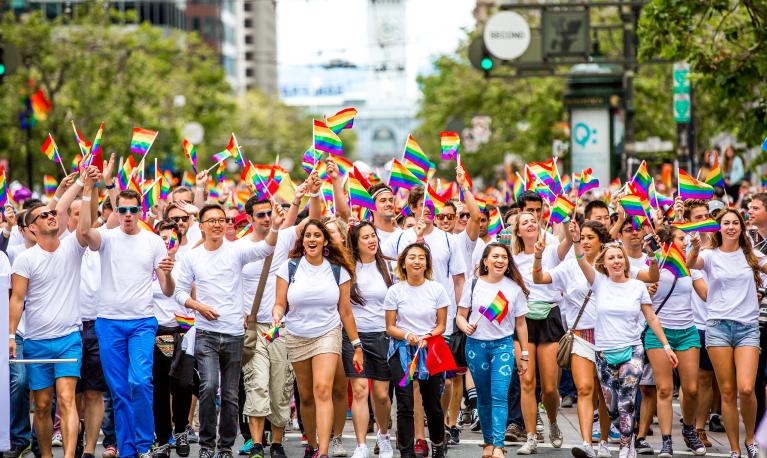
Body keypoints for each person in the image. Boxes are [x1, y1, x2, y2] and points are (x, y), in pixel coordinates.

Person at [174, 202, 283, 458]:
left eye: (221, 220)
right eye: (211, 220)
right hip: (206, 333)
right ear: (200, 226)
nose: (217, 224)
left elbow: (267, 247)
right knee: (209, 386)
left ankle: (224, 447)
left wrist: (276, 226)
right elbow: (179, 292)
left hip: (234, 333)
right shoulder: (192, 256)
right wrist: (198, 306)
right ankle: (206, 445)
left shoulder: (236, 251)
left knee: (232, 395)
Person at [78, 180, 176, 458]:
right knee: (119, 390)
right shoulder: (107, 236)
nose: (128, 214)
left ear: (140, 210)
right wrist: (88, 191)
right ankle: (128, 450)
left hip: (143, 322)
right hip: (108, 323)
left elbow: (168, 290)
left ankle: (145, 444)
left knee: (141, 381)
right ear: (117, 211)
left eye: (133, 209)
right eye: (123, 210)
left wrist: (167, 273)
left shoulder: (154, 241)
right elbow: (85, 232)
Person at [571, 223, 678, 458]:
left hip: (632, 350)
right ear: (604, 263)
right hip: (604, 352)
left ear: (625, 262)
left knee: (627, 400)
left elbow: (651, 317)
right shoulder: (598, 282)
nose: (617, 261)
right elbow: (580, 259)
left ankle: (625, 446)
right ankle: (620, 437)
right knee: (611, 406)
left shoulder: (638, 286)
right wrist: (576, 239)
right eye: (612, 258)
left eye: (620, 257)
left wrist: (666, 346)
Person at [8, 167, 93, 458]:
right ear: (31, 228)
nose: (51, 216)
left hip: (68, 338)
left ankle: (68, 456)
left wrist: (85, 184)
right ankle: (45, 455)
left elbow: (81, 221)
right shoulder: (24, 259)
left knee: (67, 399)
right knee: (42, 405)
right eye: (43, 215)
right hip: (35, 341)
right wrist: (9, 335)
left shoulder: (72, 246)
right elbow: (17, 300)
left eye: (52, 214)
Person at [239, 176, 321, 458]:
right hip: (253, 328)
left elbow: (314, 222)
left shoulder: (285, 237)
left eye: (268, 213)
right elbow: (231, 285)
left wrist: (310, 195)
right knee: (257, 384)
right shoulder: (241, 248)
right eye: (260, 215)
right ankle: (258, 444)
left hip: (282, 326)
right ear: (249, 218)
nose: (265, 218)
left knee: (280, 387)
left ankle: (276, 443)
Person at [272, 220, 365, 458]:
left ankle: (323, 452)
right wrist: (276, 318)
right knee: (306, 395)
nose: (312, 239)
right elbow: (280, 304)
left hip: (328, 333)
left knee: (322, 389)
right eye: (307, 236)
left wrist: (356, 345)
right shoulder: (289, 267)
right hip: (296, 335)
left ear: (325, 241)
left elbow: (345, 311)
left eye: (317, 235)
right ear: (302, 241)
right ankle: (312, 445)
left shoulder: (338, 270)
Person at [687, 208, 767, 458]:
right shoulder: (709, 255)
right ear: (718, 228)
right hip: (718, 327)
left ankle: (751, 439)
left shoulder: (751, 255)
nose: (731, 227)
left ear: (742, 228)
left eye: (735, 223)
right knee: (728, 390)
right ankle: (734, 448)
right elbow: (691, 263)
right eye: (726, 223)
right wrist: (694, 246)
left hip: (747, 328)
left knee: (746, 388)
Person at [532, 220, 612, 458]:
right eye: (583, 237)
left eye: (591, 237)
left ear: (601, 240)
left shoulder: (613, 262)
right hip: (580, 336)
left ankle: (605, 441)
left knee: (604, 392)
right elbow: (539, 279)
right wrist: (537, 257)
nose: (586, 241)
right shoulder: (568, 267)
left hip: (609, 337)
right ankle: (587, 443)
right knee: (585, 388)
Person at [456, 242, 530, 458]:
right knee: (484, 398)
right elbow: (460, 315)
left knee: (499, 395)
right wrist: (465, 326)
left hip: (503, 346)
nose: (500, 261)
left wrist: (524, 354)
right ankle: (488, 442)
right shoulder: (472, 284)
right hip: (475, 346)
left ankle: (498, 445)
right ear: (485, 261)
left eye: (504, 257)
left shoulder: (514, 288)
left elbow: (521, 324)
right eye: (495, 256)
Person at [510, 210, 572, 454]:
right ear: (517, 231)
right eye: (524, 222)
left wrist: (567, 221)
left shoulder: (551, 250)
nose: (530, 224)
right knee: (527, 381)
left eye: (533, 221)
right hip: (522, 321)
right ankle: (531, 436)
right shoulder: (512, 257)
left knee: (548, 387)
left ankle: (554, 422)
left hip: (549, 317)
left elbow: (568, 242)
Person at [644, 225, 707, 457]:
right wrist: (648, 290)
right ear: (668, 242)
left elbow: (706, 294)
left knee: (691, 389)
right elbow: (641, 294)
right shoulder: (654, 264)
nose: (685, 242)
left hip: (687, 331)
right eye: (681, 238)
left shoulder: (689, 265)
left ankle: (689, 429)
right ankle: (667, 441)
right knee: (664, 389)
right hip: (659, 332)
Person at [384, 242, 449, 458]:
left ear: (427, 263)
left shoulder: (437, 289)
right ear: (403, 262)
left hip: (430, 351)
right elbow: (390, 327)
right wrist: (407, 335)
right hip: (402, 353)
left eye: (421, 257)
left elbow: (441, 325)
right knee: (405, 404)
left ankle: (438, 444)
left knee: (432, 404)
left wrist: (427, 337)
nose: (417, 261)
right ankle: (406, 452)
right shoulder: (395, 291)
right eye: (412, 257)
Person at [344, 221, 395, 458]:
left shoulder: (389, 267)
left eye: (373, 236)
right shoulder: (347, 268)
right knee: (360, 389)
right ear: (355, 243)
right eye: (365, 237)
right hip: (355, 337)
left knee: (382, 395)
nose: (371, 240)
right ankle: (361, 445)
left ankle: (384, 436)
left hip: (384, 335)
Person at [151, 220, 194, 458]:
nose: (168, 243)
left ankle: (181, 431)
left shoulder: (187, 263)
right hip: (158, 331)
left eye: (172, 239)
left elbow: (195, 294)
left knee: (183, 385)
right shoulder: (149, 265)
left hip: (184, 331)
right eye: (163, 239)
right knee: (160, 387)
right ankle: (164, 437)